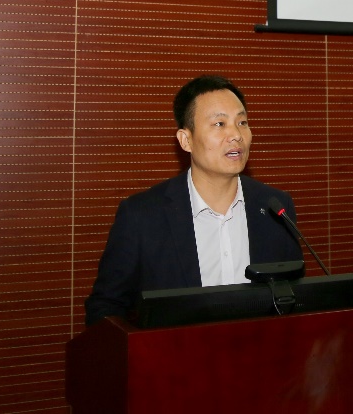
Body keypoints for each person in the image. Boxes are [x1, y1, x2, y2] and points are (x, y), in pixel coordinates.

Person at [84, 75, 303, 325]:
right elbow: (105, 308)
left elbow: (296, 298)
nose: (236, 135)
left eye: (242, 122)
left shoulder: (276, 208)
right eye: (219, 123)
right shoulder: (141, 216)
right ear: (185, 140)